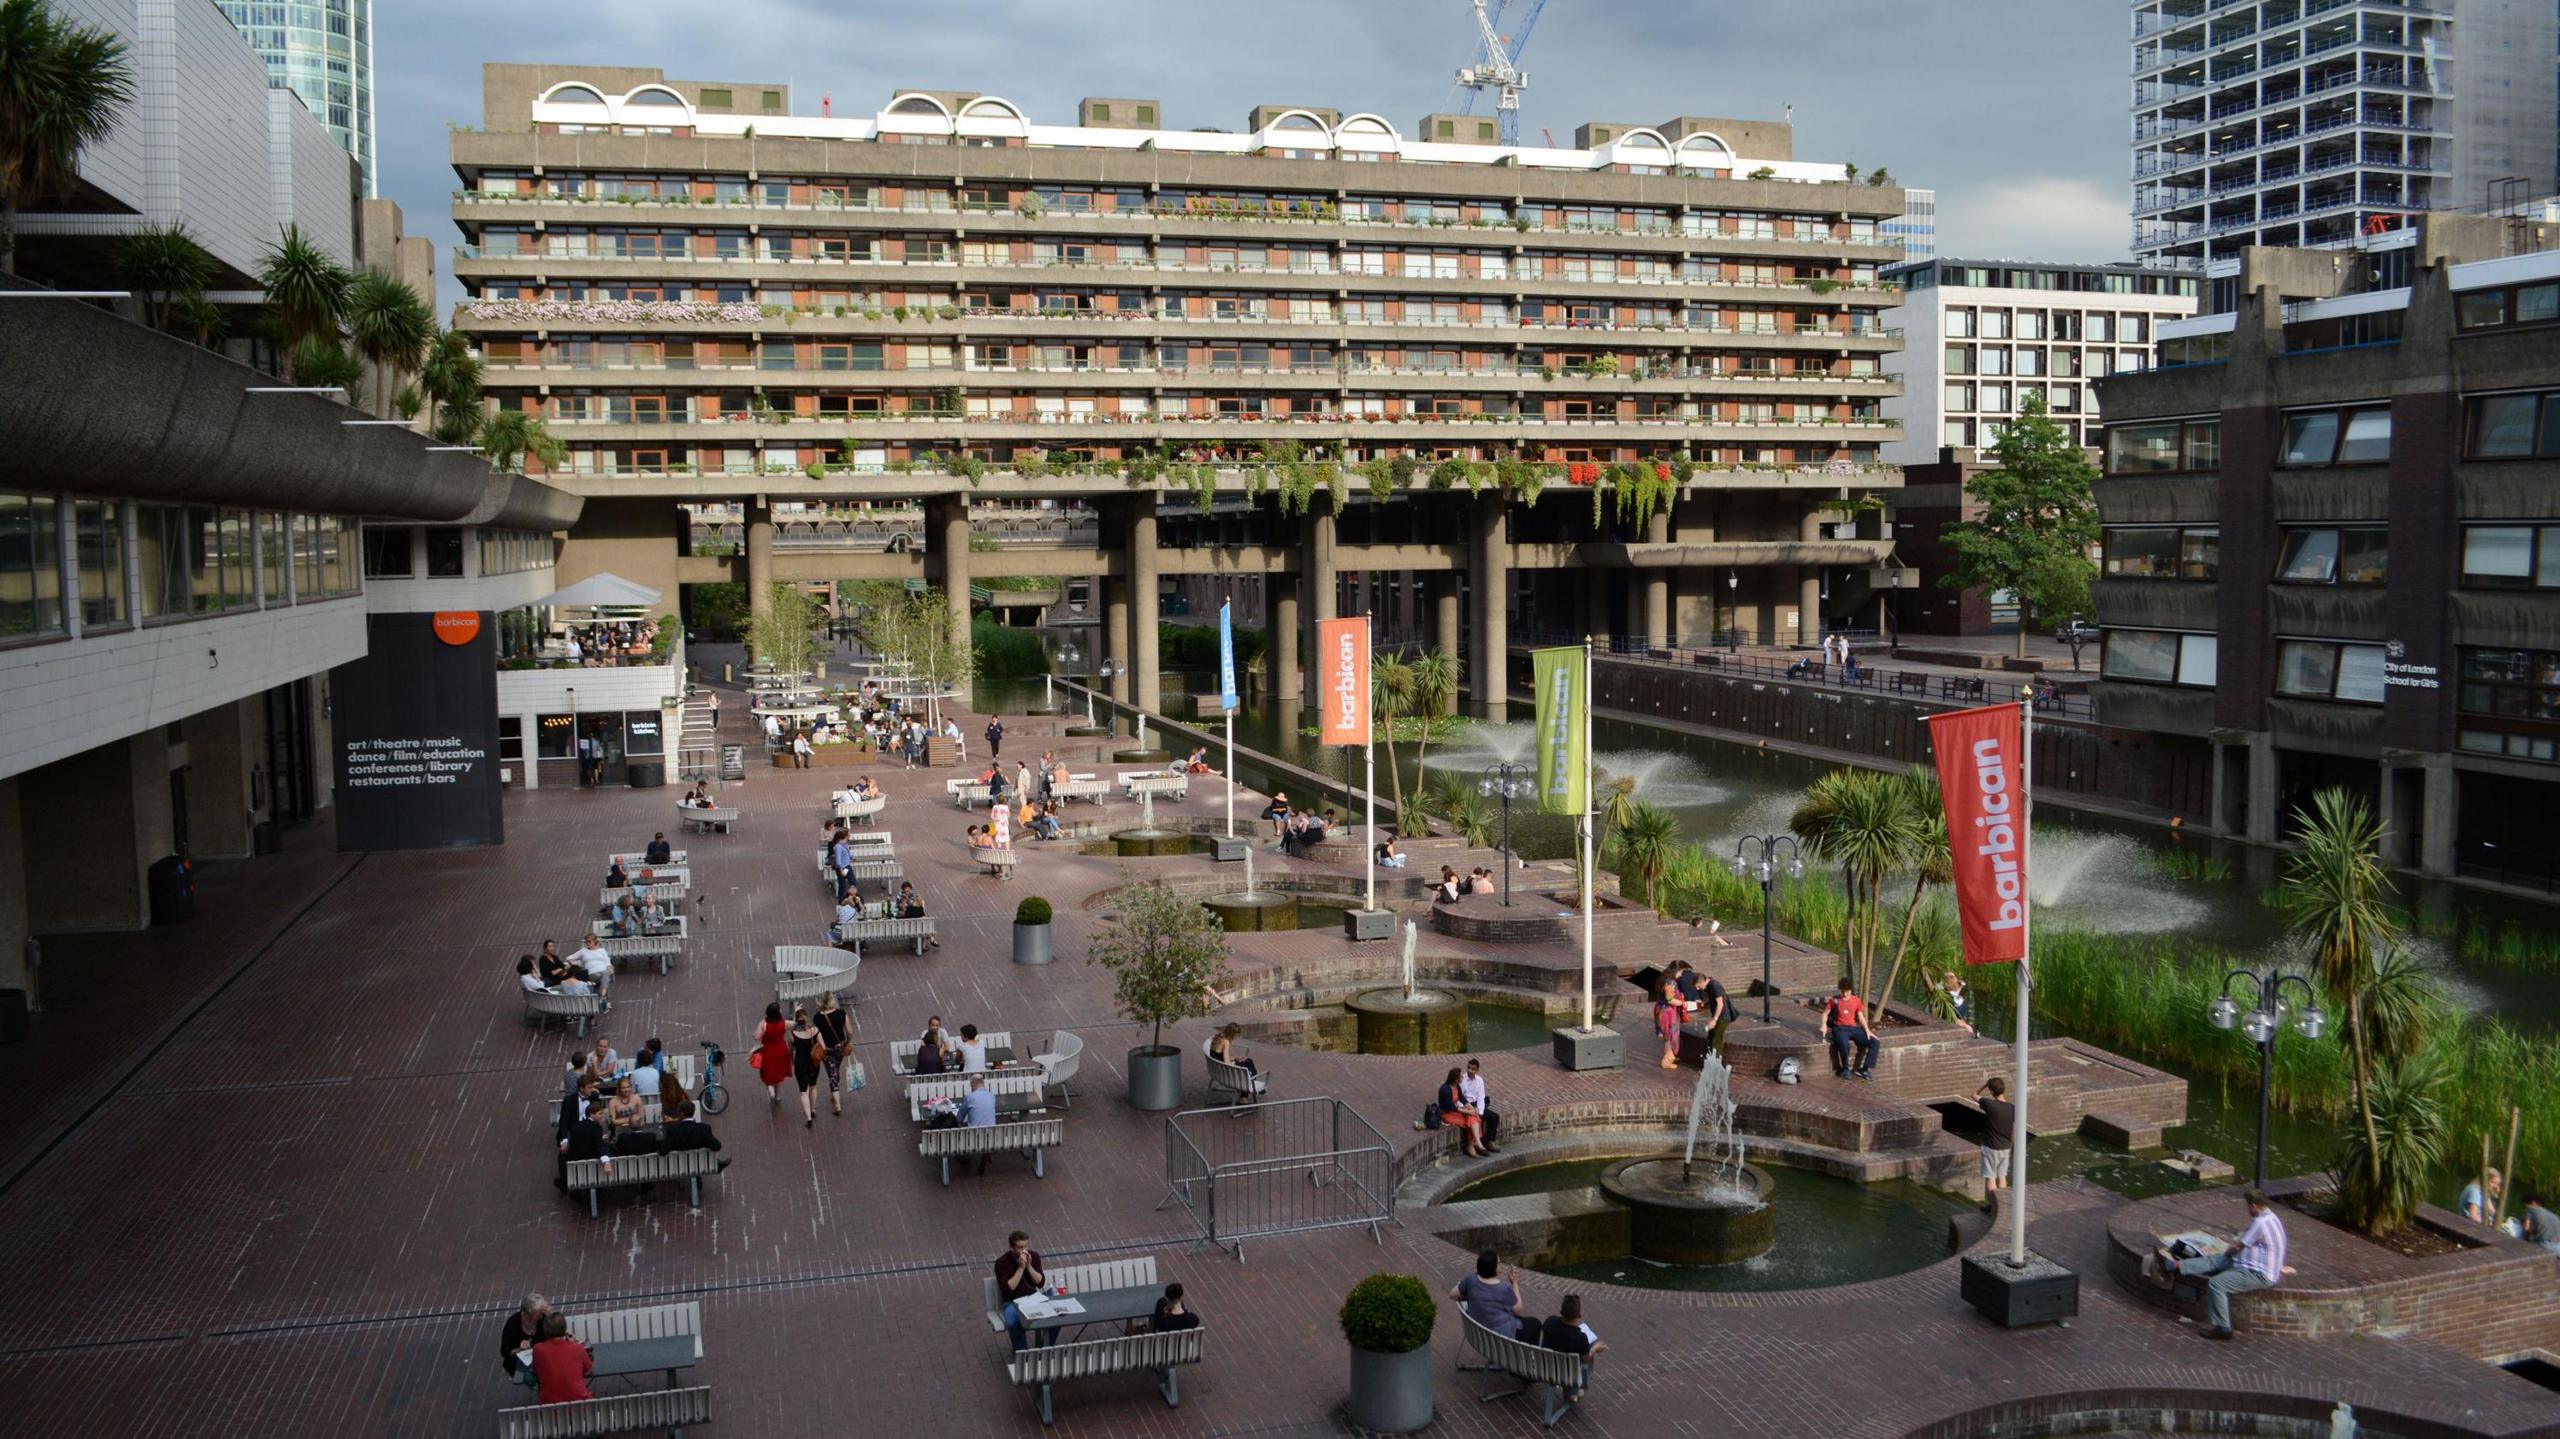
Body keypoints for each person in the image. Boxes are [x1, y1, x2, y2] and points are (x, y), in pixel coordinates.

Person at [2145, 1186, 2292, 1340]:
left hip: (2258, 1274)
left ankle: (2223, 1328)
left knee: (2217, 1284)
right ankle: (2173, 1266)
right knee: (2215, 1260)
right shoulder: (2272, 1217)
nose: (2247, 1209)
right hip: (2248, 1263)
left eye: (2247, 1206)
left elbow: (2238, 1246)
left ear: (2253, 1206)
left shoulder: (2260, 1223)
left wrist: (2228, 1252)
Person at [1452, 1248, 1535, 1341]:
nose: (1500, 1265)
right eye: (1498, 1263)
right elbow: (1518, 1308)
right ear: (1493, 1268)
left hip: (1479, 1332)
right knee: (1534, 1324)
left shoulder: (1471, 1280)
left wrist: (1474, 1296)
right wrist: (1514, 1283)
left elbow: (1453, 1294)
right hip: (1499, 1337)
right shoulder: (1503, 1288)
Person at [994, 1231, 1047, 1351]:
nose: (1024, 1251)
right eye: (1020, 1247)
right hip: (1013, 1302)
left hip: (1033, 1299)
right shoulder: (1001, 1262)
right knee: (1013, 1323)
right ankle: (1023, 1354)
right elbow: (1009, 1288)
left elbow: (1040, 1282)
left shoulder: (1034, 1256)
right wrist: (1021, 1268)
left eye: (1026, 1246)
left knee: (1056, 1319)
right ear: (1012, 1247)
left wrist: (1028, 1266)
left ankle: (1045, 1349)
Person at [1821, 976, 1880, 1080]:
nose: (1845, 994)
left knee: (1875, 1042)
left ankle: (1865, 1069)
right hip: (1840, 1028)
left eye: (1847, 991)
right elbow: (1825, 1013)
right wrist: (1824, 1025)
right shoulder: (1834, 1000)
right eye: (1843, 991)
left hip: (1853, 1028)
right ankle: (1845, 1069)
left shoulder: (1856, 1000)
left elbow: (1860, 1016)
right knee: (1844, 1044)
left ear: (1851, 990)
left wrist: (1867, 1030)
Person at [529, 1311, 594, 1404]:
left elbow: (536, 1371)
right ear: (564, 1330)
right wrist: (573, 1343)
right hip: (579, 1408)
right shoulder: (577, 1348)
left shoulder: (538, 1349)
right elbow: (588, 1370)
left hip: (550, 1410)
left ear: (545, 1331)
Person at [498, 1293, 553, 1389]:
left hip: (544, 1356)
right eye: (538, 1314)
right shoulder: (513, 1324)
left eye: (541, 1313)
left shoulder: (544, 1318)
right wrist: (519, 1349)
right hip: (524, 1364)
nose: (541, 1316)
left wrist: (551, 1315)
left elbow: (557, 1331)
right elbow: (505, 1352)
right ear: (527, 1314)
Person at [1976, 1075, 2017, 1204]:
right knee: (2002, 1177)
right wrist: (2010, 1147)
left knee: (1991, 1178)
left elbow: (1973, 1094)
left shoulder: (1989, 1104)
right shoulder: (2012, 1108)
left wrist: (1984, 1085)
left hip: (1990, 1148)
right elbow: (2013, 1131)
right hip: (2005, 1148)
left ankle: (1993, 1206)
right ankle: (2004, 1204)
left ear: (1992, 1092)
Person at [661, 1099, 732, 1169]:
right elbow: (717, 1146)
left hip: (678, 1167)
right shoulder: (704, 1128)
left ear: (682, 1113)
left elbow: (663, 1151)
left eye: (678, 1112)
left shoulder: (673, 1130)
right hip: (700, 1165)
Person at [813, 991, 852, 1117]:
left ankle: (838, 1105)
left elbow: (816, 1035)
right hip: (840, 1047)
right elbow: (850, 1032)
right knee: (835, 1069)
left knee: (832, 1073)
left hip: (827, 1049)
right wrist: (847, 1042)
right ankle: (834, 1093)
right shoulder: (842, 1014)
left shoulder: (817, 1017)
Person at [1438, 1066, 1491, 1158]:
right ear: (1455, 1079)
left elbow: (1463, 1099)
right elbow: (1452, 1107)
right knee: (1470, 1122)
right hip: (1447, 1114)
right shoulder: (1445, 1089)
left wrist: (1472, 1109)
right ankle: (1474, 1144)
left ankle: (1474, 1144)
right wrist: (1469, 1112)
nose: (1463, 1077)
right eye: (1460, 1077)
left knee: (1473, 1117)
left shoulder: (1457, 1086)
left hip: (1456, 1110)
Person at [788, 1005, 825, 1128]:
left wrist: (792, 1061)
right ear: (807, 1018)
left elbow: (790, 1051)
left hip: (800, 1063)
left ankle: (808, 1118)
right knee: (813, 1086)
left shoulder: (793, 1034)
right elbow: (823, 1047)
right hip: (814, 1063)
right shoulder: (815, 1031)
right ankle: (813, 1110)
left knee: (803, 1091)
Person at [1540, 1294, 1607, 1363]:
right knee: (1588, 1351)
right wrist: (1594, 1349)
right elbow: (1586, 1359)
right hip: (1567, 1373)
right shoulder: (1580, 1338)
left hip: (1546, 1368)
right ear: (1579, 1314)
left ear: (1562, 1311)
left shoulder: (1550, 1321)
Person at [751, 1001, 791, 1108]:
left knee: (767, 1076)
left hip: (767, 1051)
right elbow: (795, 1024)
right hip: (781, 1050)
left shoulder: (764, 1025)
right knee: (778, 1075)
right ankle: (777, 1097)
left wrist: (762, 1022)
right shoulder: (784, 1023)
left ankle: (771, 1093)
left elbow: (756, 1036)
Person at [1210, 1023, 1262, 1103]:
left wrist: (1235, 1059)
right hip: (1226, 1071)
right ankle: (1246, 1094)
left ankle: (1246, 1094)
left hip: (1218, 1069)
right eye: (1236, 1035)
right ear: (1232, 1034)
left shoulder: (1218, 1037)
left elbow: (1220, 1056)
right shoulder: (1226, 1042)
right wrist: (1237, 1065)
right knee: (1247, 1068)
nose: (1237, 1037)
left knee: (1248, 1062)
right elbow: (1227, 1063)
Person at [1653, 972, 1683, 1070]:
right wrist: (1682, 1003)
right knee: (1671, 1037)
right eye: (1681, 972)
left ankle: (1668, 1058)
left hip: (1660, 1009)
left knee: (1667, 1038)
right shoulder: (1670, 982)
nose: (1681, 975)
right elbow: (1670, 999)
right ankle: (1666, 1061)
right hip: (1668, 1012)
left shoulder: (1661, 980)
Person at [1941, 969, 1974, 1034]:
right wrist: (1960, 985)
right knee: (1964, 1024)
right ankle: (1970, 1031)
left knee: (1962, 1023)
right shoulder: (1953, 993)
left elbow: (1955, 992)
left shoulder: (1946, 991)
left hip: (1957, 1010)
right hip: (1960, 1009)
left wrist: (1960, 985)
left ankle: (1968, 1029)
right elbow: (1957, 993)